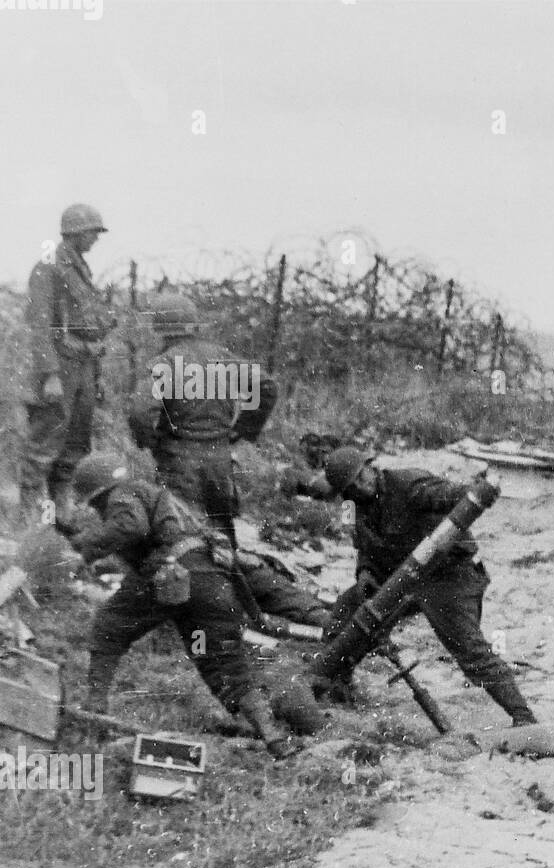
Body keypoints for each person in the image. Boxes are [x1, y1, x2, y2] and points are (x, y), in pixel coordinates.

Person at [58, 454, 303, 758]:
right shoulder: (150, 493)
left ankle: (94, 712)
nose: (97, 510)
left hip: (168, 572)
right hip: (208, 578)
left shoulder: (124, 494)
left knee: (108, 626)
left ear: (99, 492)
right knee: (224, 665)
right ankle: (274, 738)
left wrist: (83, 551)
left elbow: (131, 526)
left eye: (95, 503)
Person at [128, 293, 329, 628]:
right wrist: (242, 429)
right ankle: (246, 608)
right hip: (220, 462)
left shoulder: (166, 362)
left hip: (180, 461)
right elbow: (267, 386)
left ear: (161, 328)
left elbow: (139, 411)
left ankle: (201, 613)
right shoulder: (222, 358)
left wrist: (150, 442)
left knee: (182, 538)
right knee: (223, 537)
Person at [317, 448, 538, 726]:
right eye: (353, 486)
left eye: (362, 476)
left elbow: (445, 495)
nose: (361, 486)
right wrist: (364, 574)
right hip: (401, 579)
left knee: (469, 649)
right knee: (346, 611)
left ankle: (523, 717)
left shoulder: (408, 484)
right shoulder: (356, 506)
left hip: (448, 575)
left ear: (371, 466)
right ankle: (332, 683)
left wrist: (476, 492)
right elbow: (364, 549)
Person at [20, 204, 117, 517]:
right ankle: (31, 518)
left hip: (84, 365)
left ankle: (61, 514)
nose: (95, 239)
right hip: (59, 366)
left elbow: (91, 330)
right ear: (75, 232)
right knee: (45, 444)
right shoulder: (48, 267)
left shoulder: (81, 269)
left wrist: (97, 376)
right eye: (92, 232)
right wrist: (49, 374)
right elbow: (40, 323)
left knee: (76, 444)